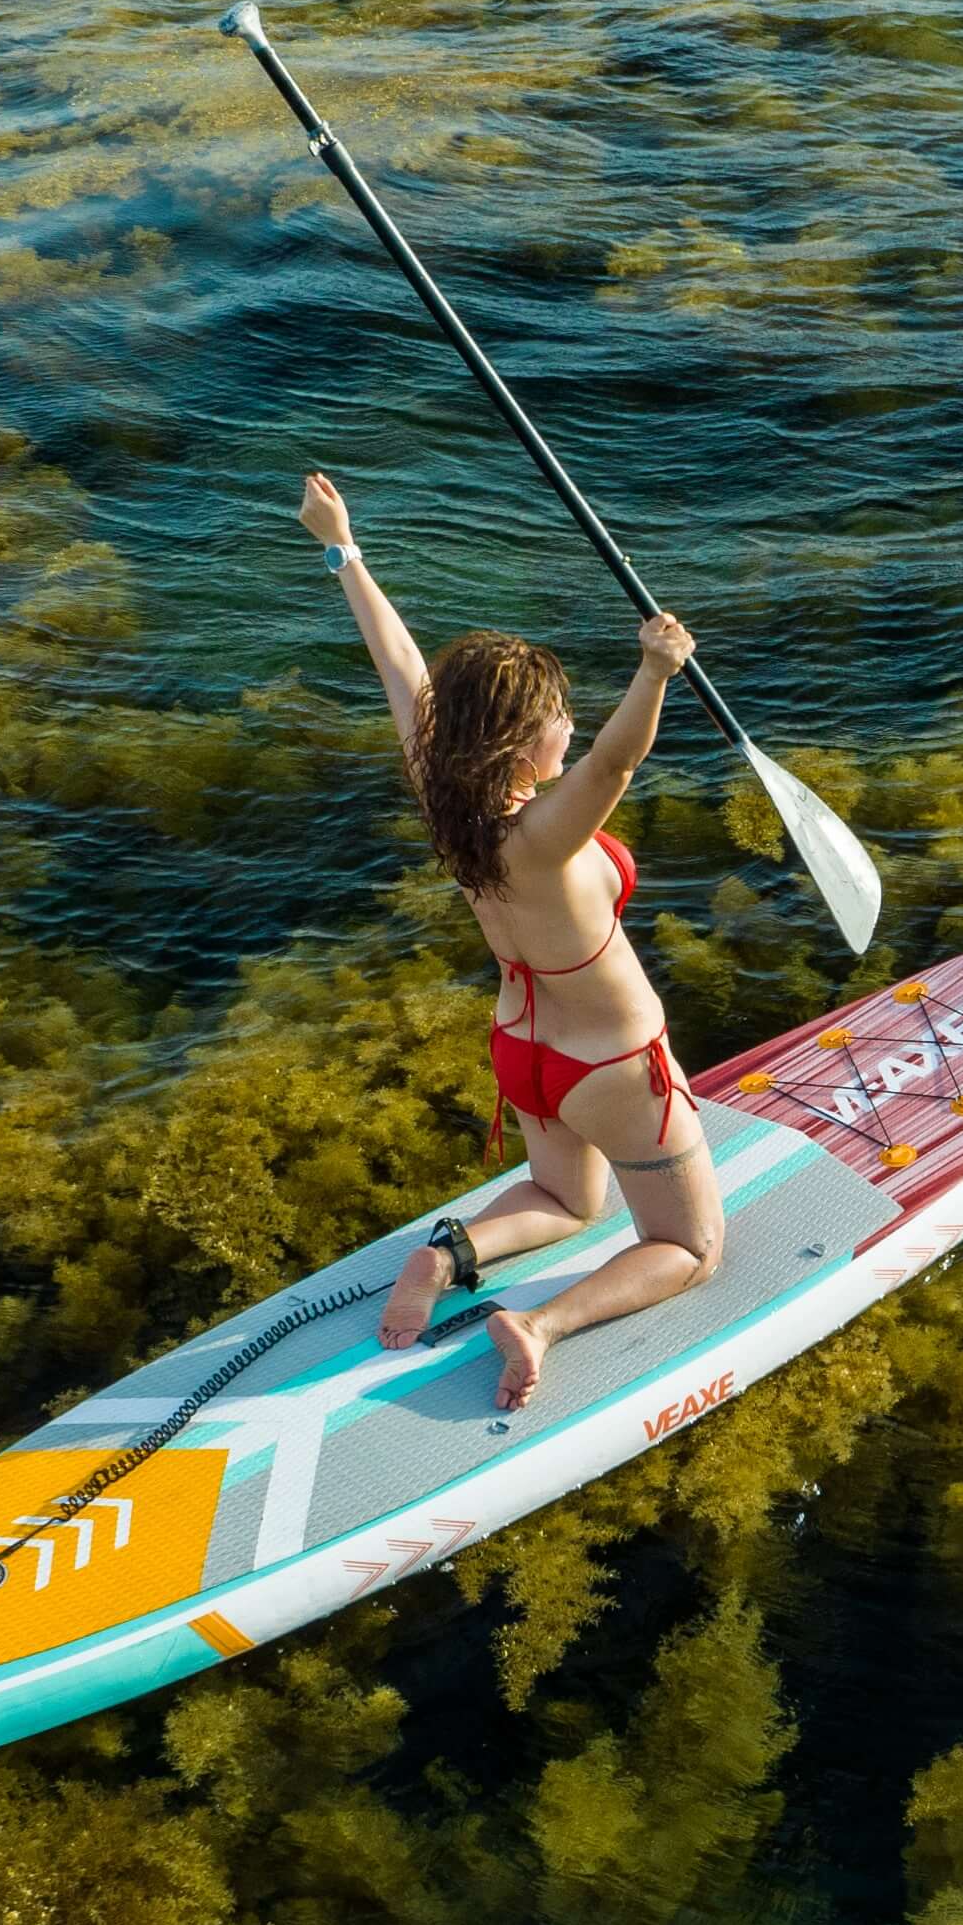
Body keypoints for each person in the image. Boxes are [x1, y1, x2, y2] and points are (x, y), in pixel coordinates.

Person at [298, 470, 722, 1405]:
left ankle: (448, 1257)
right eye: (554, 717)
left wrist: (344, 550)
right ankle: (538, 1322)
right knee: (689, 1248)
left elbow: (401, 668)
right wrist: (656, 668)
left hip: (525, 1051)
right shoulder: (543, 835)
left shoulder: (447, 797)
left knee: (572, 1199)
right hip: (615, 1069)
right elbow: (617, 758)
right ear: (526, 744)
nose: (569, 724)